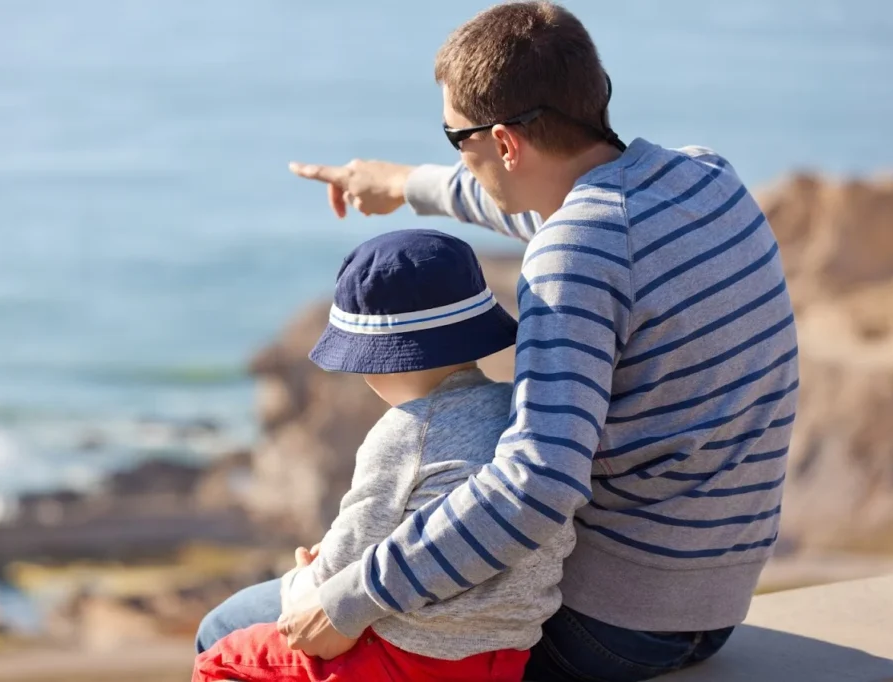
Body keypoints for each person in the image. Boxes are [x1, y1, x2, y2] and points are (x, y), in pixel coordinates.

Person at [198, 2, 798, 680]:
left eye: (457, 138)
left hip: (613, 623)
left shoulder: (571, 254)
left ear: (507, 142)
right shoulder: (704, 179)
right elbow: (554, 203)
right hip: (714, 605)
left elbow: (537, 482)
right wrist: (401, 184)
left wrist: (348, 597)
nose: (459, 153)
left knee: (228, 628)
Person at [193, 229, 572, 682]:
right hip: (504, 656)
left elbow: (344, 561)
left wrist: (300, 581)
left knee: (221, 655)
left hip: (408, 657)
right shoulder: (521, 412)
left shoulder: (406, 431)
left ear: (377, 363)